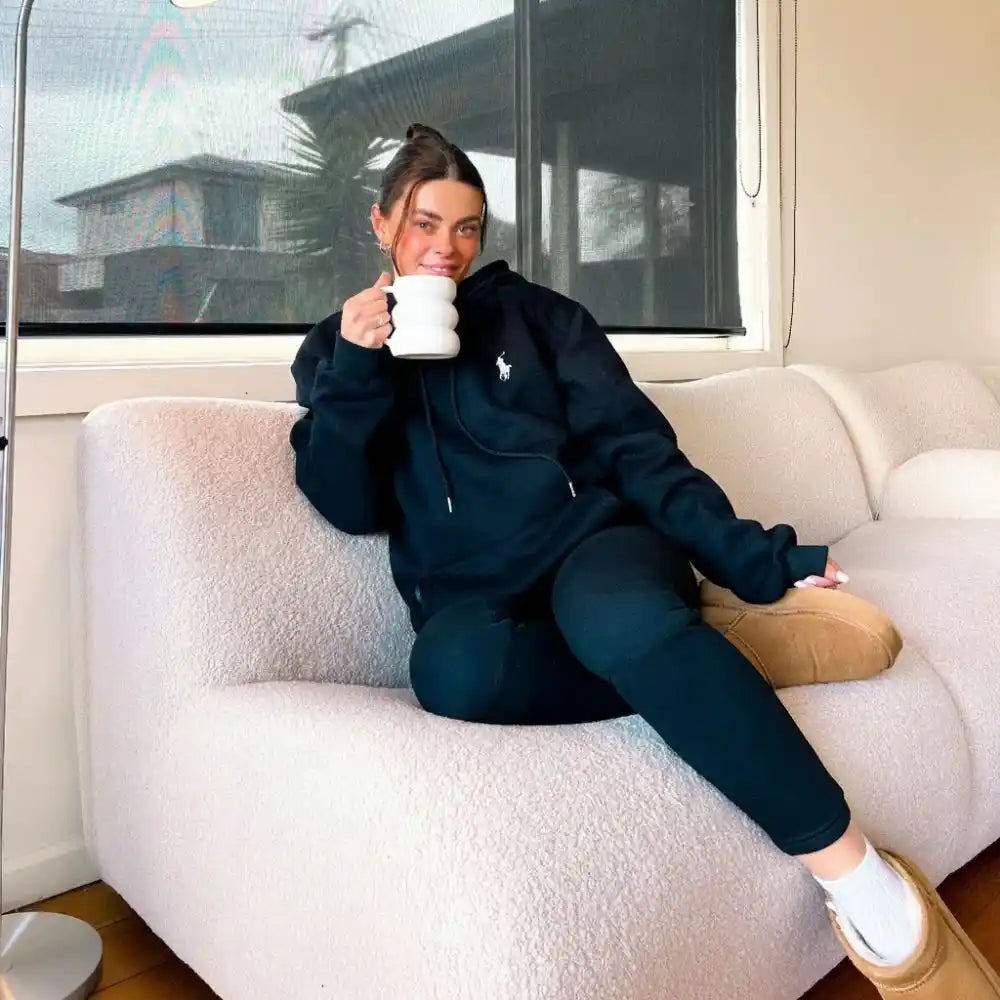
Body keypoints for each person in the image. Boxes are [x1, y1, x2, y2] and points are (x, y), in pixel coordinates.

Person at [290, 123, 999, 999]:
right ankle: (700, 651)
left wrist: (759, 559)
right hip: (478, 598)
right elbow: (347, 504)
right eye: (425, 224)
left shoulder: (544, 321)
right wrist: (359, 369)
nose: (447, 249)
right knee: (451, 674)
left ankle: (860, 881)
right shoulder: (335, 351)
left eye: (466, 227)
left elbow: (642, 457)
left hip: (600, 547)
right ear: (382, 223)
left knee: (618, 616)